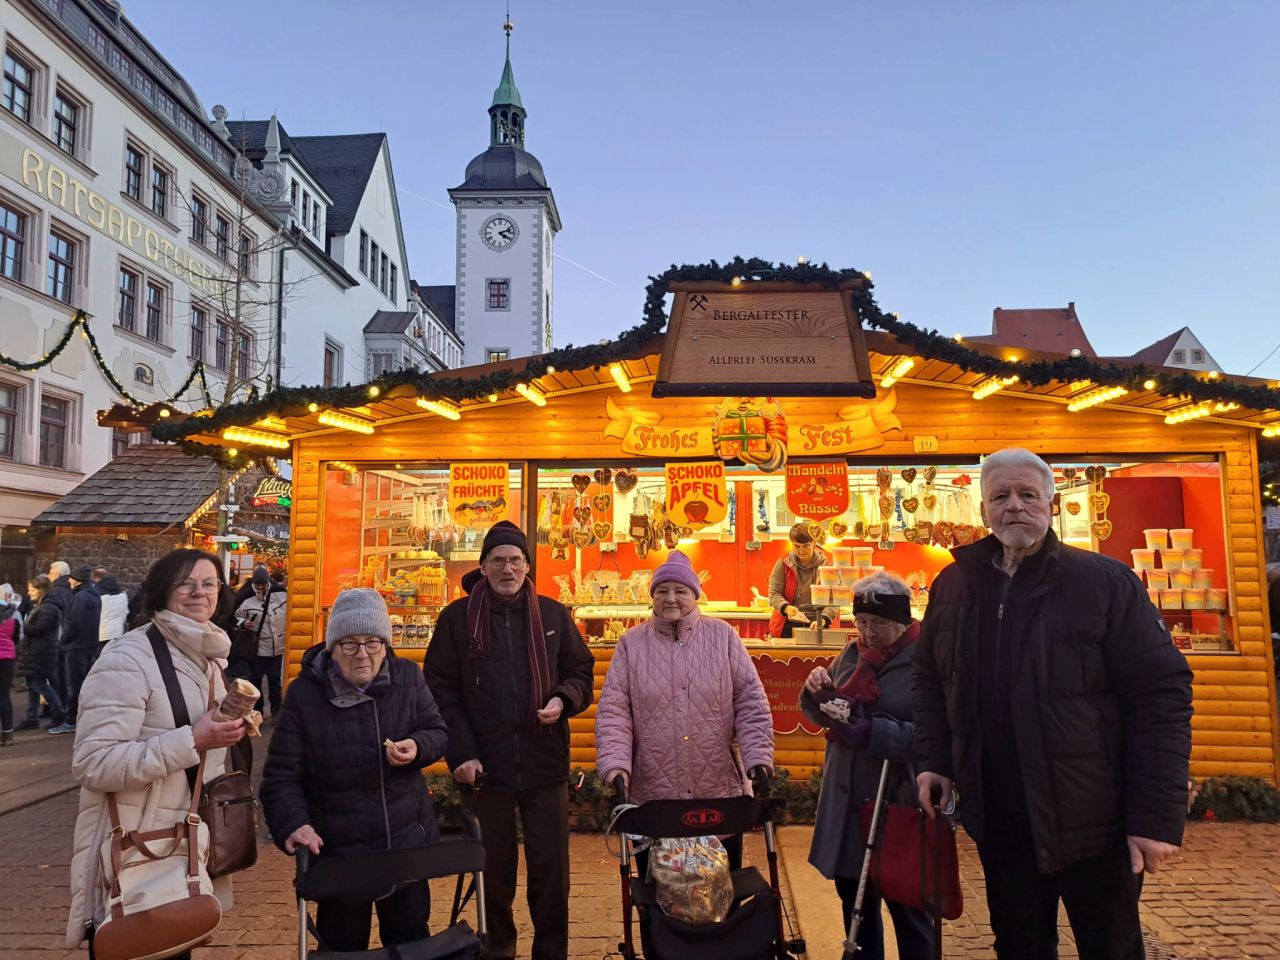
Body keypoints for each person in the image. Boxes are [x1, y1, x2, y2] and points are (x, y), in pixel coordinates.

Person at [913, 447, 1194, 960]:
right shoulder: (954, 586)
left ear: (1051, 503)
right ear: (983, 511)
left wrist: (1154, 816)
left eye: (1027, 495)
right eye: (1000, 496)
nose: (1014, 506)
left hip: (1095, 820)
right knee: (1019, 946)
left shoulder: (1104, 583)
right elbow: (929, 679)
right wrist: (934, 760)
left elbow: (1160, 696)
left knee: (1110, 947)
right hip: (1002, 819)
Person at [424, 520, 595, 960]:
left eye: (516, 560)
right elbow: (440, 692)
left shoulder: (554, 615)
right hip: (484, 769)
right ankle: (497, 950)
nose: (507, 569)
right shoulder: (457, 620)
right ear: (482, 567)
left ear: (527, 566)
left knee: (551, 873)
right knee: (493, 873)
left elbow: (581, 672)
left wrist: (563, 698)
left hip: (545, 764)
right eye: (498, 560)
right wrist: (461, 753)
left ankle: (551, 953)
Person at [67, 548, 247, 956]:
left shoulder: (208, 657)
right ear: (162, 591)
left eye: (208, 583)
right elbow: (94, 763)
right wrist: (193, 740)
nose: (198, 592)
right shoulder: (128, 658)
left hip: (183, 849)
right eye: (185, 583)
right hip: (138, 853)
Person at [261, 588, 449, 951]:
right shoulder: (305, 694)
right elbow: (281, 777)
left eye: (373, 642)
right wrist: (293, 824)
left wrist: (419, 747)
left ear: (385, 643)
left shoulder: (408, 677)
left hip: (404, 844)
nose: (362, 654)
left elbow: (437, 731)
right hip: (339, 852)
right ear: (332, 646)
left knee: (411, 944)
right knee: (343, 948)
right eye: (349, 643)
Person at [595, 550, 773, 869]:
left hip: (717, 792)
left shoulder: (723, 637)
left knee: (721, 889)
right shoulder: (631, 644)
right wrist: (615, 765)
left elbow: (750, 702)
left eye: (680, 590)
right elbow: (614, 712)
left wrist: (757, 758)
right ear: (652, 597)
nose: (671, 598)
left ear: (695, 595)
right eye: (661, 591)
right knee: (657, 895)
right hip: (653, 796)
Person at [800, 572, 934, 959]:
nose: (868, 632)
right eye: (861, 622)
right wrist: (816, 694)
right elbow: (828, 710)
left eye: (879, 624)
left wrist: (873, 733)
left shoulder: (927, 660)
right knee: (855, 904)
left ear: (903, 622)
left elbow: (935, 736)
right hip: (847, 803)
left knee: (909, 907)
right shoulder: (853, 653)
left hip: (897, 801)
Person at [51, 566, 101, 735]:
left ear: (78, 580)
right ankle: (82, 718)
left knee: (74, 686)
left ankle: (71, 720)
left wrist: (62, 641)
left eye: (72, 578)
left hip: (76, 646)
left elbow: (73, 622)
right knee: (83, 684)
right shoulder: (94, 596)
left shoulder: (81, 597)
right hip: (88, 645)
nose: (69, 581)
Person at [235, 567, 288, 717]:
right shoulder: (246, 600)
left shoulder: (281, 596)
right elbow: (236, 617)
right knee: (256, 679)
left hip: (277, 647)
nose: (260, 588)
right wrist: (244, 623)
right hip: (257, 648)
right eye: (257, 585)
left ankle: (276, 710)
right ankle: (258, 710)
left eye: (262, 585)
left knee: (274, 680)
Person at [769, 522, 837, 637]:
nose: (801, 550)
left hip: (820, 623)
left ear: (814, 543)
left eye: (806, 546)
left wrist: (824, 618)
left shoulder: (828, 565)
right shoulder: (783, 563)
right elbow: (774, 594)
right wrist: (786, 607)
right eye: (797, 546)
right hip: (788, 625)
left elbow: (835, 598)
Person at [16, 576, 65, 730]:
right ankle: (32, 718)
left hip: (41, 651)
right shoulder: (42, 606)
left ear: (41, 590)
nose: (29, 593)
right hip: (36, 650)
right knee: (32, 684)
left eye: (32, 590)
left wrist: (21, 626)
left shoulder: (48, 608)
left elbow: (40, 629)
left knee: (38, 683)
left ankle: (58, 712)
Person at [0, 584, 21, 745]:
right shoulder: (13, 616)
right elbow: (15, 639)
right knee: (4, 695)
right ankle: (7, 734)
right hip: (7, 659)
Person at [96, 577, 129, 649]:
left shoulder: (102, 598)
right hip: (117, 632)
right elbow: (124, 614)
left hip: (102, 633)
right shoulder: (123, 596)